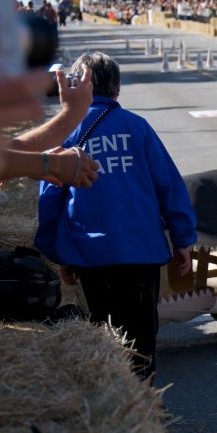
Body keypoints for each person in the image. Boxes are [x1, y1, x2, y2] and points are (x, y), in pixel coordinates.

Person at [35, 53, 197, 380]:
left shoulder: (64, 133)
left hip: (90, 253)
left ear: (78, 87)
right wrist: (183, 241)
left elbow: (49, 198)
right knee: (140, 342)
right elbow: (169, 186)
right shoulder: (138, 128)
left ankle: (114, 401)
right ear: (118, 90)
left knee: (103, 336)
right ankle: (142, 408)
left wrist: (61, 253)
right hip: (139, 251)